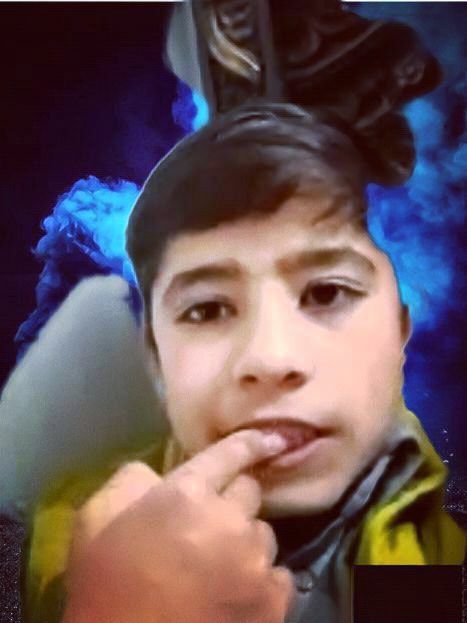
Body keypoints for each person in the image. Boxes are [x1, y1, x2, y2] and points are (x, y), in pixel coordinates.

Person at [24, 2, 465, 623]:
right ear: (154, 353)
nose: (272, 359)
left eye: (327, 293)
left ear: (399, 330)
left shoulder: (438, 554)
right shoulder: (55, 551)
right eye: (207, 308)